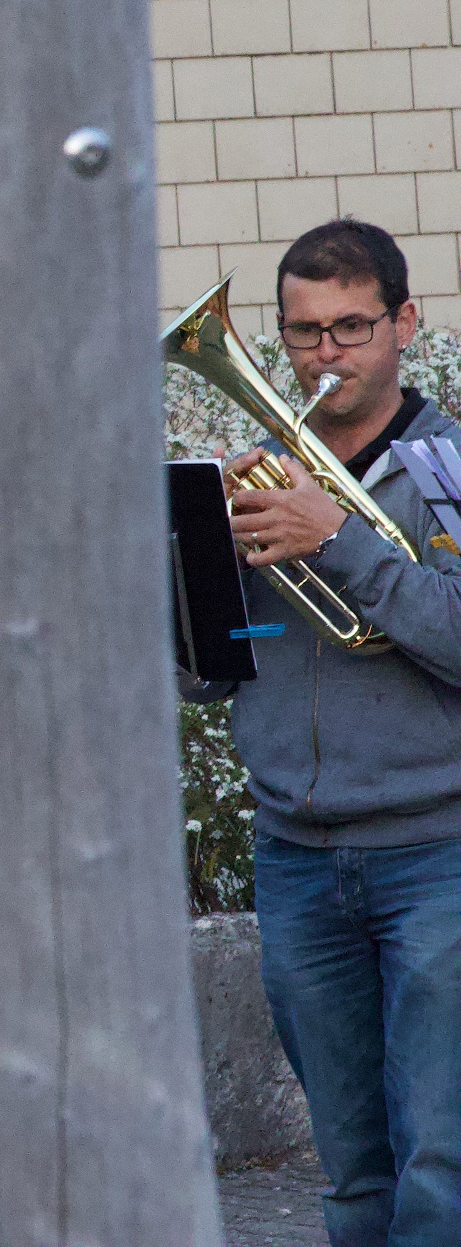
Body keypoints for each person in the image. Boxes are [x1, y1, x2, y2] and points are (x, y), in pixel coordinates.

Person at [194, 219, 461, 1247]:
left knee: (441, 1167)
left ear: (404, 324)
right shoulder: (254, 483)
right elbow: (204, 679)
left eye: (352, 327)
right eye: (304, 334)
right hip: (298, 859)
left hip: (437, 852)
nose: (327, 356)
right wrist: (196, 575)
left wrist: (338, 540)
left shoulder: (447, 470)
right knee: (350, 1176)